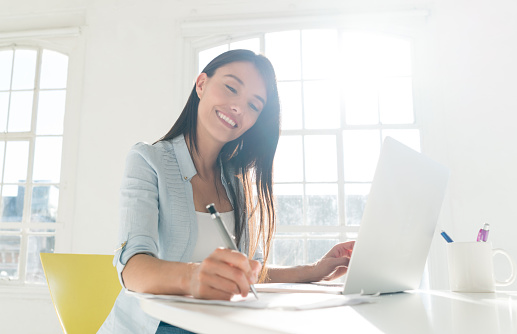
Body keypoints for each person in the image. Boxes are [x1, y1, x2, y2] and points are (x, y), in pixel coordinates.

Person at [98, 49, 354, 334]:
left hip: (218, 325)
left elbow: (248, 275)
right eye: (231, 88)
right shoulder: (147, 160)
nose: (238, 108)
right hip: (155, 326)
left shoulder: (237, 181)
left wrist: (314, 269)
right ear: (201, 84)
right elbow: (133, 268)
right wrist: (194, 277)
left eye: (254, 106)